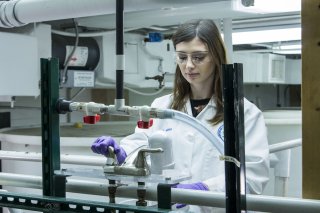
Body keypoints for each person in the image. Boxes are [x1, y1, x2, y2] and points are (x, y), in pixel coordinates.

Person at [91, 19, 270, 212]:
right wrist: (122, 152)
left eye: (199, 57)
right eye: (182, 57)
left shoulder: (244, 113)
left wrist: (204, 188)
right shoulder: (162, 106)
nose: (189, 65)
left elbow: (253, 175)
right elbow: (144, 143)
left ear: (216, 57)